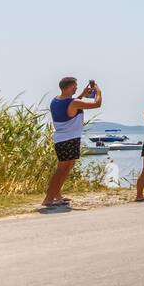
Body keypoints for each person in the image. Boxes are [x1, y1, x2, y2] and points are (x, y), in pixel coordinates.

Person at [42, 77, 102, 208]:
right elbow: (97, 104)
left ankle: (56, 195)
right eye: (75, 86)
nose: (76, 88)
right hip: (68, 139)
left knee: (67, 167)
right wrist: (98, 91)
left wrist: (82, 95)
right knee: (61, 169)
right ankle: (48, 198)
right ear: (68, 87)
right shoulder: (73, 102)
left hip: (66, 138)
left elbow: (71, 105)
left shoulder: (56, 100)